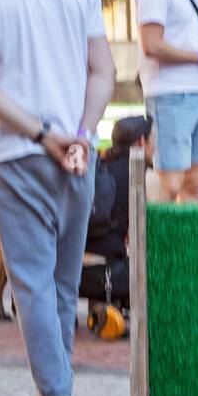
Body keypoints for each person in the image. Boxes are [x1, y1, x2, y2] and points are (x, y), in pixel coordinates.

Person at [0, 0, 115, 396]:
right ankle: (57, 392)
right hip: (79, 154)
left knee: (32, 286)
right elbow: (104, 71)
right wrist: (82, 131)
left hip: (17, 154)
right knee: (61, 283)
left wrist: (44, 135)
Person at [138, 0, 198, 204]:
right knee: (170, 187)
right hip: (169, 95)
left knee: (194, 186)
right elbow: (151, 44)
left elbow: (189, 39)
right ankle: (154, 237)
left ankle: (188, 239)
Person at [81, 115, 152, 309]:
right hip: (110, 276)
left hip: (74, 270)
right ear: (141, 141)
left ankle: (100, 308)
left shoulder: (102, 167)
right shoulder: (136, 176)